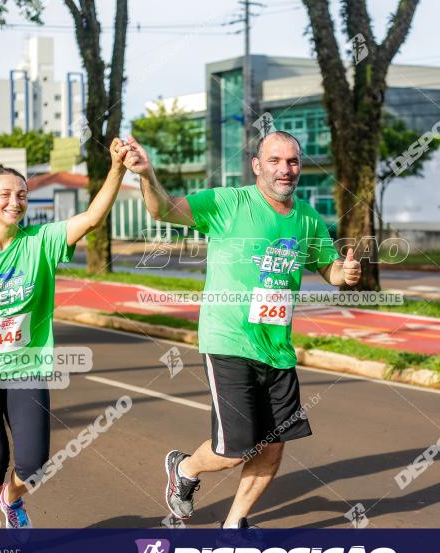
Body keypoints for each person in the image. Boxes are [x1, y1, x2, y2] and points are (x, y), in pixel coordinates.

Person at [123, 130, 361, 528]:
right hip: (229, 339)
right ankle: (184, 469)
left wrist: (345, 272)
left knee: (272, 449)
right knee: (236, 449)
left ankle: (234, 525)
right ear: (256, 165)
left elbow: (329, 268)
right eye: (275, 161)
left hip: (277, 348)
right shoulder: (228, 203)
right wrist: (147, 175)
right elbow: (164, 210)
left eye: (293, 162)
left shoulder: (307, 218)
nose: (285, 170)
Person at [0, 138, 129, 529]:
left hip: (24, 368)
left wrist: (117, 167)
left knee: (33, 464)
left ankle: (11, 499)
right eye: (4, 194)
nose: (14, 201)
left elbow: (93, 217)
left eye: (21, 195)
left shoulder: (41, 243)